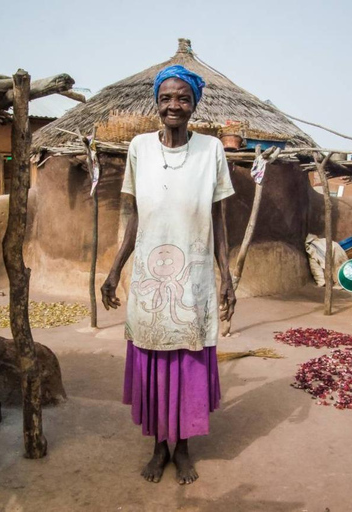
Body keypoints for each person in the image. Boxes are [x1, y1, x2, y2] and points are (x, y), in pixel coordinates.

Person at [101, 65, 236, 485]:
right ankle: (159, 447)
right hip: (149, 277)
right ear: (156, 103)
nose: (173, 105)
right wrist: (114, 269)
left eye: (182, 98)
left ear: (194, 104)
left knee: (189, 359)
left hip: (192, 278)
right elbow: (134, 216)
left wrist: (226, 275)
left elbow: (218, 220)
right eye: (166, 98)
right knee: (154, 358)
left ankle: (184, 449)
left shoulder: (212, 150)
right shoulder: (139, 148)